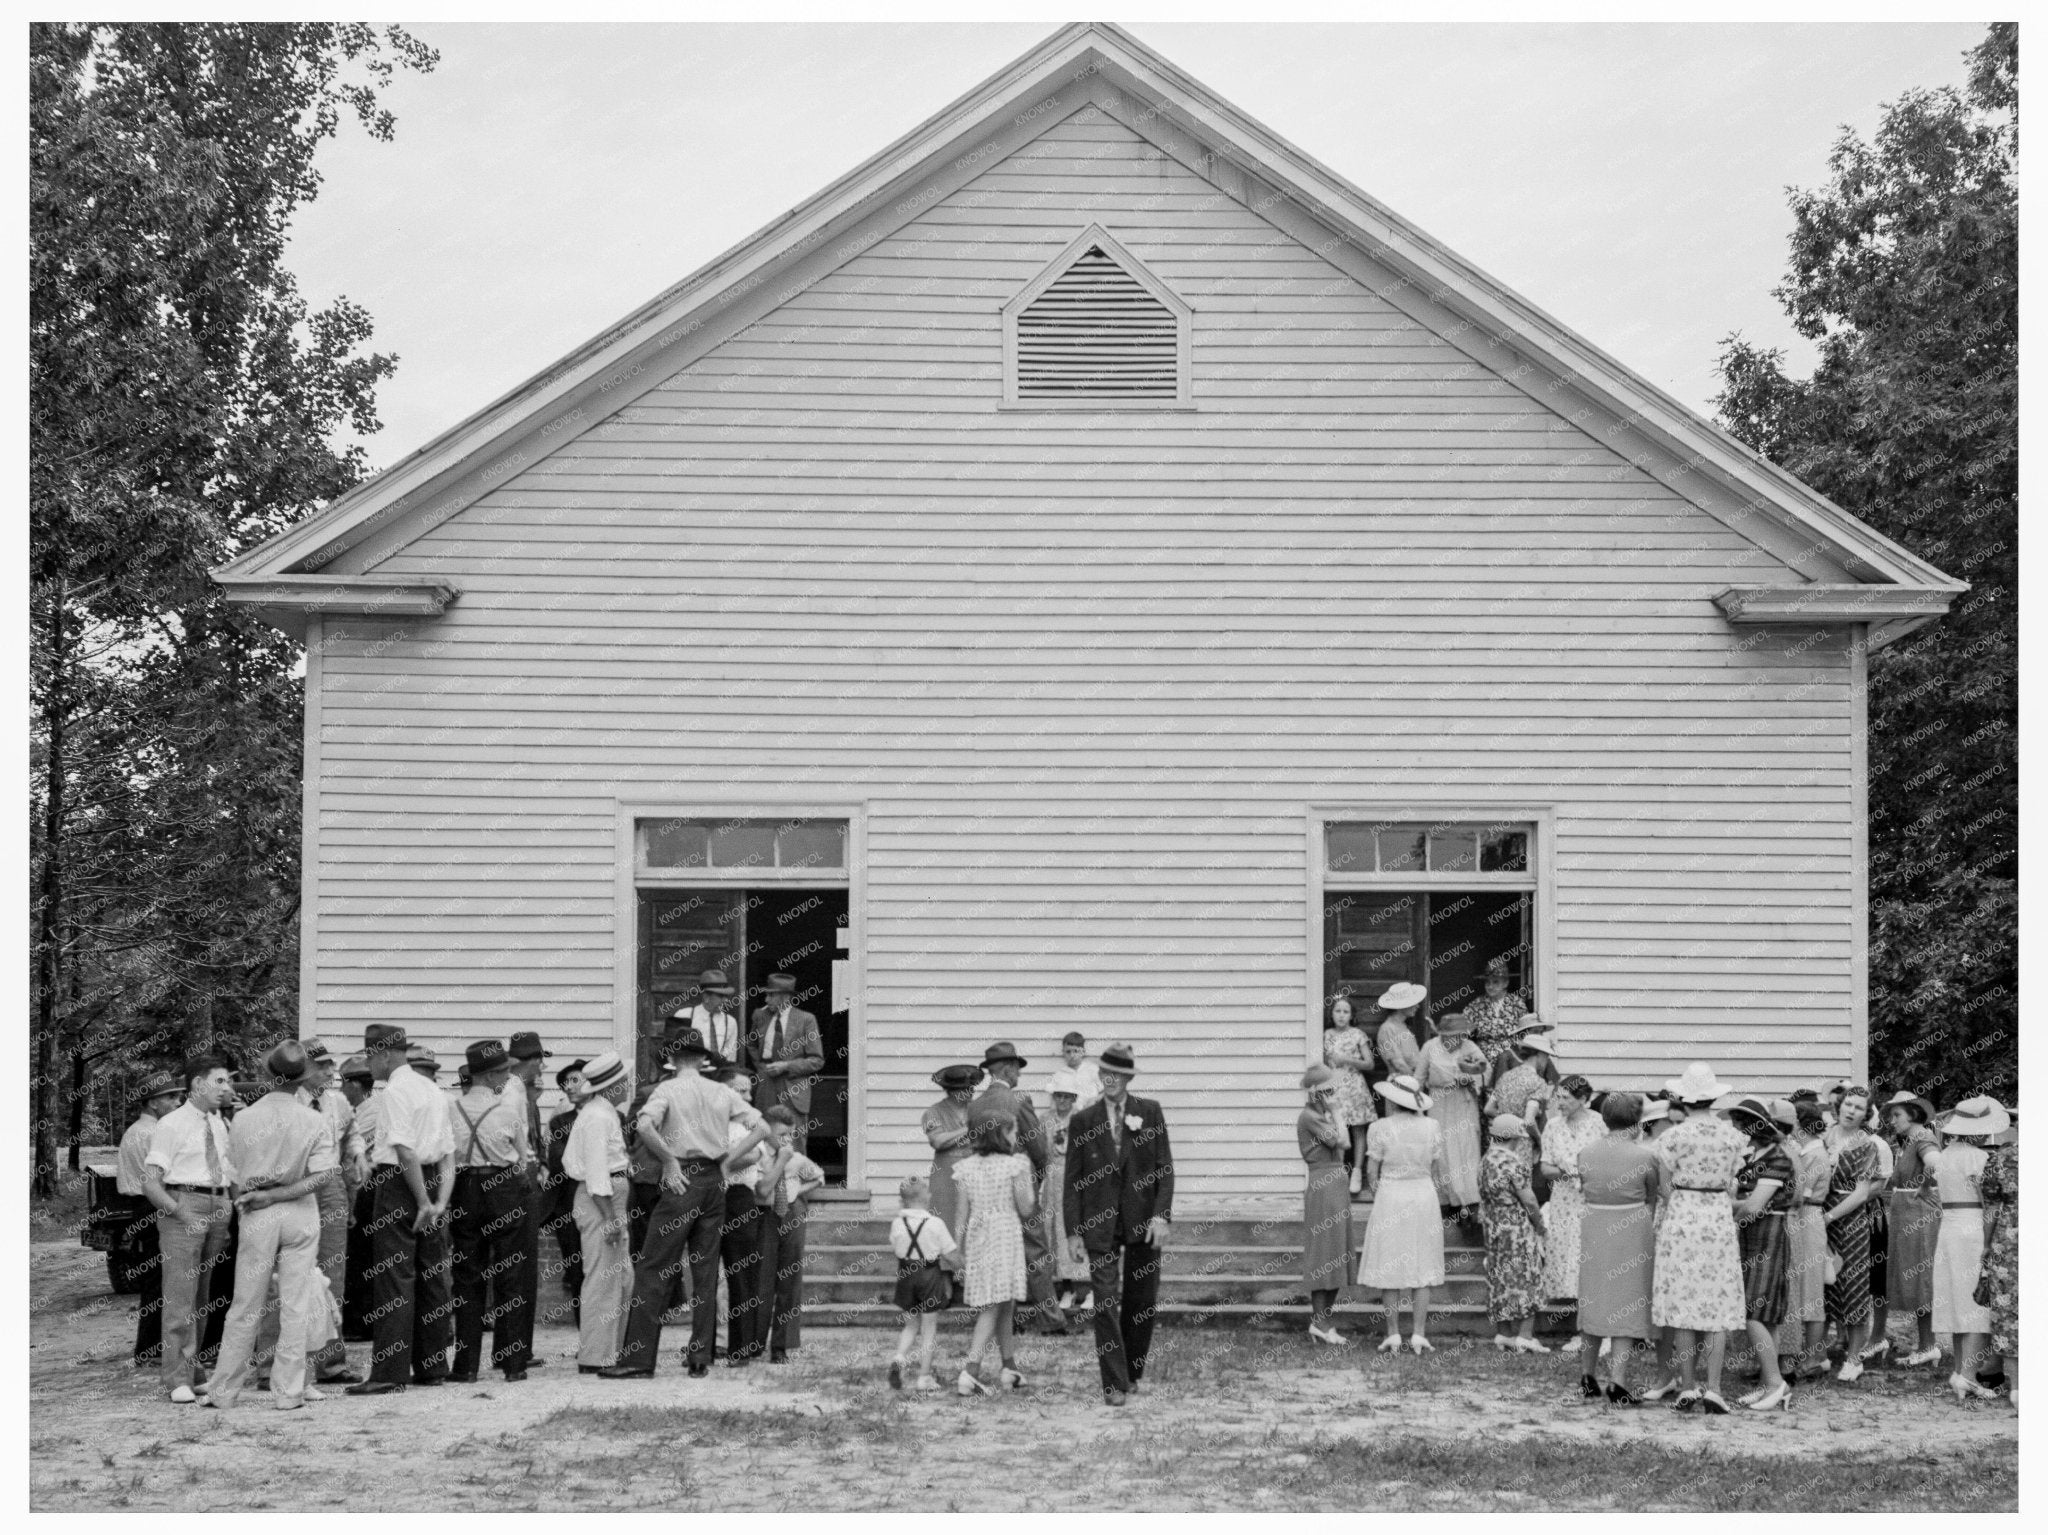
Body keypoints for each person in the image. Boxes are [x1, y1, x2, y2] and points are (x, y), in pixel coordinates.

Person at [599, 1029, 768, 1379]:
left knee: (653, 1266)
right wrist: (726, 1160)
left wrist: (669, 1160)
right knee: (705, 1271)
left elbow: (644, 1125)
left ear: (672, 1059)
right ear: (702, 1059)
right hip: (713, 1181)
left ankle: (638, 1359)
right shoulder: (721, 1090)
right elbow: (762, 1128)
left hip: (682, 1181)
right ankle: (700, 1356)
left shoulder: (668, 1089)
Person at [199, 1043, 337, 1411]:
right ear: (302, 1078)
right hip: (299, 1210)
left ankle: (224, 1389)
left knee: (246, 1302)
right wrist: (282, 1194)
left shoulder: (243, 1119)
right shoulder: (313, 1119)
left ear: (267, 1075)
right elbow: (322, 1175)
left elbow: (232, 1172)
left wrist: (258, 1196)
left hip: (258, 1208)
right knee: (297, 1302)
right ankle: (289, 1391)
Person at [1061, 1042, 1173, 1407]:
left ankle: (1132, 1371)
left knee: (1141, 1302)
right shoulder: (1083, 1120)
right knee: (1105, 1302)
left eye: (1117, 1075)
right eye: (1104, 1074)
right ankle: (1113, 1382)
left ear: (1127, 1078)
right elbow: (1072, 1180)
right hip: (1099, 1225)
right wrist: (1073, 1231)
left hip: (1143, 1221)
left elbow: (1164, 1171)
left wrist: (1161, 1215)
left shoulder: (1149, 1113)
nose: (1110, 1080)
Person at [348, 1023, 457, 1394]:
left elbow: (404, 1149)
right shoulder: (430, 1088)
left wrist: (423, 1202)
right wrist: (439, 1201)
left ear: (383, 1054)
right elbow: (447, 1154)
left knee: (395, 1277)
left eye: (369, 1056)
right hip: (430, 1180)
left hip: (399, 1183)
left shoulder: (394, 1091)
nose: (368, 1065)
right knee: (431, 1274)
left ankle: (390, 1371)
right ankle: (432, 1364)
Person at [1648, 1062, 1745, 1414]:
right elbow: (1735, 1179)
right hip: (1717, 1212)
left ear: (1684, 1099)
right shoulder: (1733, 1136)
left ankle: (1688, 1386)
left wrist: (1678, 1201)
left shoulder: (1671, 1136)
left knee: (1684, 1303)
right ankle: (1715, 1387)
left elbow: (1662, 1183)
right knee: (1718, 1302)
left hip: (1684, 1210)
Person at [142, 1055, 238, 1403]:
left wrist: (226, 1208)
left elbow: (226, 1168)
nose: (226, 1088)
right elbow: (150, 1184)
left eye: (227, 1082)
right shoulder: (171, 1124)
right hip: (186, 1203)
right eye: (220, 1081)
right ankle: (175, 1378)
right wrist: (180, 1213)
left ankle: (194, 1369)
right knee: (180, 1296)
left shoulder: (218, 1123)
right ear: (198, 1085)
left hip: (217, 1204)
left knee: (202, 1296)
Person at [446, 1040, 533, 1383]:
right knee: (510, 1275)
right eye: (504, 1071)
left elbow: (447, 1155)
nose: (507, 1076)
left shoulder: (451, 1108)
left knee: (467, 1278)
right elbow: (522, 1157)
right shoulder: (508, 1111)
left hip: (465, 1189)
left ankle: (465, 1366)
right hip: (504, 1187)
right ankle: (514, 1365)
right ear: (492, 1074)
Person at [969, 1041, 1063, 1335]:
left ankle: (1003, 1319)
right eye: (1017, 1070)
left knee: (995, 1249)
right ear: (1009, 1069)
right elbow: (1037, 1145)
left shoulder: (975, 1105)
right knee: (1035, 1248)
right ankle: (1050, 1318)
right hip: (1020, 1180)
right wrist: (1040, 1173)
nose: (1019, 1076)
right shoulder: (1020, 1099)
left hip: (986, 1185)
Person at [1576, 1091, 1661, 1404]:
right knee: (1627, 1299)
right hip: (1632, 1226)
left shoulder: (1585, 1152)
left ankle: (1587, 1375)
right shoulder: (1644, 1156)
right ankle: (1617, 1380)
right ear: (1637, 1121)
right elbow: (1654, 1194)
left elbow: (1584, 1187)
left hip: (1595, 1223)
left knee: (1594, 1296)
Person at [1358, 1072, 1447, 1355]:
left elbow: (1372, 1171)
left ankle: (1393, 1333)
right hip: (1422, 1194)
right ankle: (1418, 1333)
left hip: (1392, 1195)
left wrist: (1380, 1194)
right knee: (1422, 1262)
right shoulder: (1432, 1125)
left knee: (1390, 1263)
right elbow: (1434, 1169)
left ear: (1393, 1101)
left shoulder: (1379, 1127)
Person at [953, 1115, 1035, 1395]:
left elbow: (961, 1213)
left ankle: (1009, 1366)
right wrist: (1028, 1182)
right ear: (1003, 1134)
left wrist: (956, 1248)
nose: (1016, 1138)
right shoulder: (1016, 1165)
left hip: (978, 1235)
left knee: (1004, 1301)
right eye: (1013, 1132)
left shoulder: (966, 1167)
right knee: (994, 1302)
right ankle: (970, 1370)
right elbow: (1026, 1208)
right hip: (1004, 1234)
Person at [561, 1051, 632, 1372]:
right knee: (602, 1278)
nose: (628, 1084)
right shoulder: (598, 1118)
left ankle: (611, 1349)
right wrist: (610, 1217)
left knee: (619, 1277)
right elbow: (596, 1172)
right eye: (624, 1080)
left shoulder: (602, 1113)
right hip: (601, 1200)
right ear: (612, 1085)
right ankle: (596, 1355)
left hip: (609, 1196)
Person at [1932, 1096, 2005, 1402]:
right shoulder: (1979, 1158)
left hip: (1949, 1225)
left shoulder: (1944, 1155)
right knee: (1978, 1302)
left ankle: (1962, 1370)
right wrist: (1989, 1241)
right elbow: (1989, 1204)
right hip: (1972, 1226)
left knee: (1959, 1300)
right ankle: (1968, 1374)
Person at [1726, 1096, 1795, 1412]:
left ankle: (1776, 1383)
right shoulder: (1755, 1157)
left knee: (1753, 1311)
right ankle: (1769, 1382)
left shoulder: (1779, 1159)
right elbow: (1751, 1201)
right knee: (1766, 1314)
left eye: (1740, 1123)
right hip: (1752, 1234)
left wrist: (1724, 1209)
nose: (1735, 1128)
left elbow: (1755, 1205)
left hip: (1768, 1235)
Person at [118, 1071, 185, 1369]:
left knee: (157, 1278)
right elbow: (162, 1176)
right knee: (158, 1279)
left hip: (143, 1205)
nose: (176, 1101)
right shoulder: (150, 1133)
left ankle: (151, 1347)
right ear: (153, 1103)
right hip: (150, 1204)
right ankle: (149, 1349)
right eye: (170, 1097)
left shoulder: (139, 1130)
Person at [1875, 1089, 1943, 1369]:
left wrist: (1925, 1186)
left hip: (1919, 1213)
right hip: (1907, 1213)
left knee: (1922, 1278)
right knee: (1916, 1280)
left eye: (1897, 1114)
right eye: (1891, 1115)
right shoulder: (1910, 1140)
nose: (1893, 1120)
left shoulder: (1923, 1137)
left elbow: (1937, 1165)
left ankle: (1929, 1345)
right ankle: (1926, 1344)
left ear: (1913, 1114)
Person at [1822, 1085, 1885, 1382]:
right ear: (1839, 1105)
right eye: (1848, 1104)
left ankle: (1854, 1357)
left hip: (1849, 1220)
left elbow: (1862, 1194)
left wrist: (1829, 1216)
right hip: (1818, 1214)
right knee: (1821, 1284)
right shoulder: (1824, 1136)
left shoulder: (1866, 1145)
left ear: (1866, 1113)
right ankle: (1816, 1354)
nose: (1851, 1110)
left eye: (1858, 1107)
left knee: (1854, 1285)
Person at [713, 1066, 772, 1366]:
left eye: (749, 1090)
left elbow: (754, 1154)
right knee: (707, 1275)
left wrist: (722, 1162)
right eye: (740, 1090)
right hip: (710, 1196)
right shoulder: (710, 1117)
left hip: (739, 1197)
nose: (747, 1096)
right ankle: (705, 1345)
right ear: (723, 1091)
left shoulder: (750, 1121)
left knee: (742, 1275)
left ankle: (742, 1347)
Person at [758, 1104, 824, 1363]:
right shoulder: (760, 1155)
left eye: (790, 1135)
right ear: (766, 1132)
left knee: (790, 1278)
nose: (786, 1140)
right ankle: (754, 1341)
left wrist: (800, 1191)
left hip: (792, 1213)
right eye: (780, 1135)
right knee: (762, 1277)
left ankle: (781, 1345)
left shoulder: (797, 1159)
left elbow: (819, 1177)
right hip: (765, 1213)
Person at [1479, 1114, 1548, 1357]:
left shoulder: (1486, 1159)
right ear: (1514, 1138)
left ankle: (1505, 1333)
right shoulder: (1513, 1161)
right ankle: (1525, 1337)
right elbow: (1528, 1199)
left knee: (1500, 1276)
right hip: (1515, 1225)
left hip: (1493, 1223)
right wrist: (1540, 1225)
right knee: (1526, 1274)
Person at [1774, 1102, 1833, 1382]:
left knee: (1810, 1288)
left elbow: (1801, 1191)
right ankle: (1802, 1354)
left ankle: (1813, 1357)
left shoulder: (1814, 1154)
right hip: (1801, 1216)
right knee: (1799, 1286)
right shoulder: (1806, 1152)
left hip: (1807, 1217)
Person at [1298, 1065, 1355, 1343]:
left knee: (1336, 1253)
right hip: (1323, 1184)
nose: (1333, 1093)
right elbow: (1343, 1141)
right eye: (1328, 1090)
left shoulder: (1321, 1115)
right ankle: (1319, 1322)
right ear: (1317, 1093)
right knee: (1323, 1253)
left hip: (1335, 1182)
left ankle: (1325, 1322)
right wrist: (1338, 1111)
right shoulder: (1310, 1117)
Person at [1541, 1075, 1603, 1333]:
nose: (1560, 1103)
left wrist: (1586, 1172)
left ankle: (1593, 1328)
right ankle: (1582, 1328)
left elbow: (1606, 1160)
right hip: (1564, 1200)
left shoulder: (1598, 1124)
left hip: (1592, 1198)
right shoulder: (1553, 1126)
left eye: (1566, 1098)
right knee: (1568, 1258)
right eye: (1558, 1097)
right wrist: (1567, 1172)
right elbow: (1545, 1168)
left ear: (1583, 1100)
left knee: (1588, 1258)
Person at [887, 1175, 956, 1393]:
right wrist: (964, 1267)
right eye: (928, 1191)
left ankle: (899, 1358)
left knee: (910, 1325)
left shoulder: (898, 1222)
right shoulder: (935, 1223)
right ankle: (924, 1377)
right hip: (929, 1275)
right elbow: (951, 1254)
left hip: (906, 1274)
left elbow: (895, 1245)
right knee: (929, 1328)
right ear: (924, 1198)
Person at [748, 971, 825, 1155]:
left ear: (785, 997)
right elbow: (750, 1044)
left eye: (771, 995)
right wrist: (761, 1068)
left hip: (793, 1086)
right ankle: (766, 1180)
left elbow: (817, 1060)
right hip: (766, 1082)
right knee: (763, 1132)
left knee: (794, 1136)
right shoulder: (760, 1016)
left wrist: (787, 1066)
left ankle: (796, 1180)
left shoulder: (806, 1020)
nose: (766, 999)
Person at [1419, 1010, 1485, 1218]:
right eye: (1448, 1035)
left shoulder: (1470, 1047)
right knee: (1442, 1149)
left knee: (1466, 1147)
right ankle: (1446, 1201)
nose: (1453, 1039)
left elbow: (1484, 1072)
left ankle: (1469, 1200)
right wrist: (1416, 1109)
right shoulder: (1430, 1047)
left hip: (1463, 1101)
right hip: (1439, 1100)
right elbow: (1419, 1077)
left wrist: (1470, 1079)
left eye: (1457, 1035)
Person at [922, 1063, 983, 1278]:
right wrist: (967, 1130)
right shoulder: (934, 1112)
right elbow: (938, 1141)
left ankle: (969, 1276)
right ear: (951, 1090)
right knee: (945, 1218)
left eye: (972, 1088)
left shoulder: (977, 1109)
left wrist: (955, 1136)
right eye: (965, 1089)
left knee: (972, 1221)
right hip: (945, 1172)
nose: (970, 1092)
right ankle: (945, 1275)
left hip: (974, 1169)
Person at [541, 1058, 590, 1323]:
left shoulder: (613, 1116)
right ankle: (585, 1330)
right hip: (569, 1203)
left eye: (576, 1080)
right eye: (567, 1081)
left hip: (603, 1198)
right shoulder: (561, 1121)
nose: (570, 1086)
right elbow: (559, 1162)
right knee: (576, 1267)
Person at [1043, 1068, 1093, 1316]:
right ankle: (1067, 1287)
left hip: (1075, 1179)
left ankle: (1092, 1288)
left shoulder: (1083, 1119)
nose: (1062, 1101)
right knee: (1054, 1233)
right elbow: (1039, 1150)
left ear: (1074, 1098)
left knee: (1075, 1230)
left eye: (1067, 1096)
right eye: (1058, 1096)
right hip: (1052, 1180)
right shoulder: (1045, 1119)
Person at [1977, 1113, 2018, 1410]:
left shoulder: (2002, 1159)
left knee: (2007, 1313)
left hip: (2010, 1240)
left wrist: (1986, 1244)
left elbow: (1992, 1206)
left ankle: (2016, 1386)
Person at [339, 1054, 379, 1340]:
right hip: (360, 1184)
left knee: (360, 1257)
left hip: (367, 1185)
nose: (341, 1090)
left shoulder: (369, 1112)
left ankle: (360, 1323)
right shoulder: (364, 1109)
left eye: (343, 1083)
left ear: (355, 1084)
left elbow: (349, 1149)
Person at [1321, 994, 1376, 1196]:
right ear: (1331, 1013)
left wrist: (1347, 1059)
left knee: (1358, 1130)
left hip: (1354, 1085)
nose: (1342, 1015)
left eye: (1346, 1012)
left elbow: (1369, 1064)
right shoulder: (1326, 1034)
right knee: (1338, 1128)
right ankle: (1339, 1172)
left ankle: (1357, 1172)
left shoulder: (1358, 1034)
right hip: (1335, 1085)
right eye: (1338, 1011)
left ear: (1351, 1015)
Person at [1485, 1036, 1554, 1141]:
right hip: (1522, 1142)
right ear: (1539, 1055)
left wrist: (1507, 1118)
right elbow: (1529, 1121)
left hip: (1502, 1140)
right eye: (1546, 1056)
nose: (1547, 1060)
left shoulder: (1506, 1077)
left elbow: (1488, 1109)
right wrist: (1540, 1141)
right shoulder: (1538, 1082)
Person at [1465, 956, 1529, 1068]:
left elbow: (1527, 1033)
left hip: (1510, 1060)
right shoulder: (1476, 1005)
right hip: (1483, 1061)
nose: (1490, 986)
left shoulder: (1517, 1004)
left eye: (1495, 982)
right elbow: (1461, 1028)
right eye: (1487, 982)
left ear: (1505, 983)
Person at [675, 968, 744, 1066]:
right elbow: (673, 1052)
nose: (726, 1001)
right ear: (706, 997)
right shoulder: (684, 1015)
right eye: (721, 996)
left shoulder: (730, 1022)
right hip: (690, 1073)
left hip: (717, 1075)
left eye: (726, 996)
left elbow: (730, 1058)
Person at [1374, 983, 1426, 1082]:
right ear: (1400, 1007)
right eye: (1413, 1003)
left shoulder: (1403, 1027)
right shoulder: (1387, 1029)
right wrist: (1416, 1081)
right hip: (1401, 1083)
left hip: (1410, 1082)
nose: (1417, 1006)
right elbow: (1398, 1064)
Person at [1057, 1032, 1103, 1108]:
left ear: (1083, 1052)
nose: (1072, 1055)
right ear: (1063, 1053)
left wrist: (1094, 1100)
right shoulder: (1060, 1075)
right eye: (1068, 1052)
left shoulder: (1093, 1070)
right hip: (1071, 1116)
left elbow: (1105, 1092)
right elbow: (1055, 1101)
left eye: (1076, 1051)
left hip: (1092, 1113)